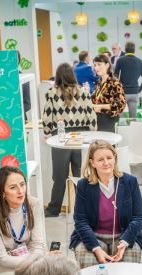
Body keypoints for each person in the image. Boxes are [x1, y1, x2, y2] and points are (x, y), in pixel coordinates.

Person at [70, 140, 142, 268]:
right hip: (93, 236)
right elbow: (80, 221)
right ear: (92, 162)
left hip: (124, 235)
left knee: (128, 266)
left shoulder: (130, 182)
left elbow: (139, 217)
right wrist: (96, 248)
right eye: (100, 160)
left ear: (115, 158)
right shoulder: (83, 185)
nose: (106, 163)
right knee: (90, 265)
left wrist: (125, 242)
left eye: (109, 158)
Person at [42, 62, 97, 217]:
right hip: (82, 136)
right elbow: (91, 115)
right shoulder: (84, 92)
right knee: (82, 176)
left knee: (60, 176)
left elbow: (47, 116)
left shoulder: (52, 92)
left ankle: (54, 209)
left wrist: (47, 132)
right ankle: (85, 210)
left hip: (60, 137)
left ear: (58, 76)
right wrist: (92, 135)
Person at [0, 166, 46, 275]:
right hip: (2, 266)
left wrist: (33, 261)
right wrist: (32, 262)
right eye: (13, 187)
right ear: (2, 193)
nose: (20, 191)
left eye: (22, 184)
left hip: (30, 259)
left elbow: (38, 245)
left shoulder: (34, 205)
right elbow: (1, 258)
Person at [91, 54, 126, 132]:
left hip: (108, 120)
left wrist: (101, 107)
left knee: (105, 144)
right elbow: (95, 100)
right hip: (97, 119)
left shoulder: (114, 82)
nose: (96, 68)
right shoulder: (99, 82)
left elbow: (121, 104)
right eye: (95, 65)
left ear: (107, 65)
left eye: (99, 64)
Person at [114, 41, 142, 119]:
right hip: (134, 93)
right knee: (133, 118)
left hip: (122, 92)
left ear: (125, 50)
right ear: (134, 50)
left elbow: (115, 77)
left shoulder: (120, 60)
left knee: (121, 118)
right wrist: (139, 89)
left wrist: (117, 87)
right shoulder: (140, 62)